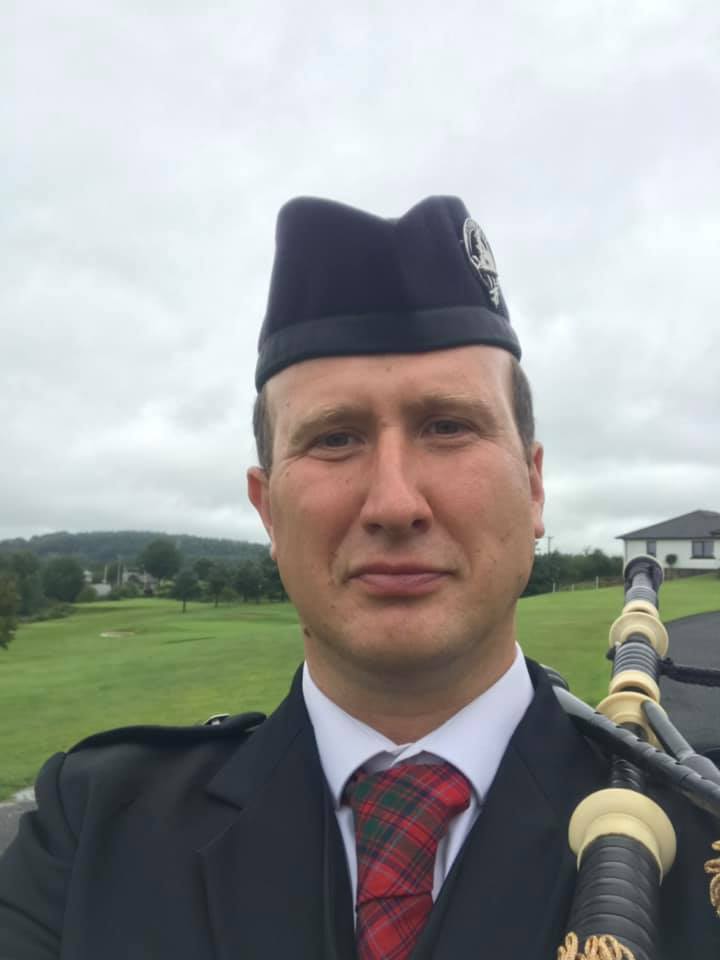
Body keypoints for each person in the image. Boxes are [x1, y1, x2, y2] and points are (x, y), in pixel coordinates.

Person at [0, 196, 718, 959]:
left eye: (448, 426)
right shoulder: (93, 828)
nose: (395, 503)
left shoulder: (696, 832)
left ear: (534, 487)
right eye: (335, 438)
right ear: (267, 509)